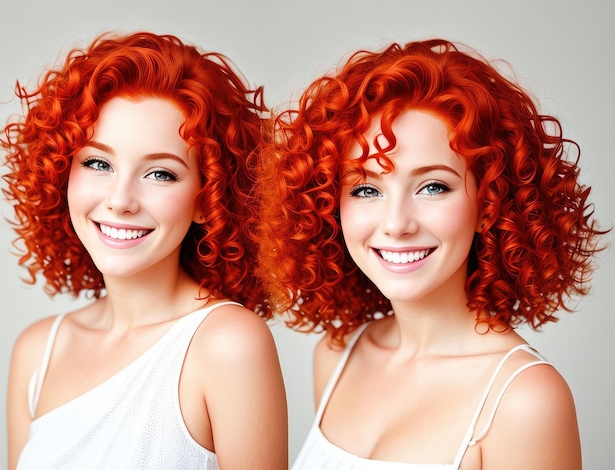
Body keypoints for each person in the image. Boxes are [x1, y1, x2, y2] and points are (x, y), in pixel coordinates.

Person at [256, 39, 609, 469]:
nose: (396, 223)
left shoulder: (524, 401)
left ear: (490, 203)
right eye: (366, 188)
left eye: (433, 186)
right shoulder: (337, 357)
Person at [0, 31, 288, 469]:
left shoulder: (227, 344)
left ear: (208, 199)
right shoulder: (38, 351)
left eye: (161, 174)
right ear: (62, 172)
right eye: (98, 163)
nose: (120, 200)